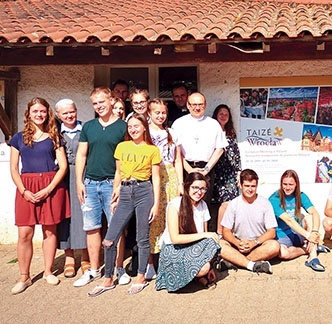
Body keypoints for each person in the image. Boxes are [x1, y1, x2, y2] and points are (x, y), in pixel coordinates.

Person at [87, 113, 162, 296]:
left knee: (142, 237)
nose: (133, 129)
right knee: (109, 239)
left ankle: (141, 277)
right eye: (130, 126)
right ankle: (108, 278)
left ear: (145, 127)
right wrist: (115, 195)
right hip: (126, 191)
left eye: (137, 126)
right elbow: (118, 174)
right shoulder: (122, 147)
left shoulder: (152, 150)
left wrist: (156, 205)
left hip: (144, 190)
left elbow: (157, 178)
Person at [9, 97, 69, 294]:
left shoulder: (55, 136)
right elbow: (13, 168)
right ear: (28, 113)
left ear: (47, 113)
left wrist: (49, 189)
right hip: (26, 187)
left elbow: (63, 166)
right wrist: (24, 191)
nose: (39, 114)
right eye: (35, 111)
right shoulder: (18, 138)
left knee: (50, 231)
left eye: (42, 111)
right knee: (24, 233)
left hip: (50, 187)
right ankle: (24, 277)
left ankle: (48, 271)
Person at [73, 87, 128, 288]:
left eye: (101, 102)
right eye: (95, 103)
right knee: (91, 228)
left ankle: (118, 268)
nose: (98, 106)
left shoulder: (123, 127)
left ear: (111, 101)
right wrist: (79, 181)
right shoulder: (89, 127)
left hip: (111, 184)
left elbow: (124, 158)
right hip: (90, 184)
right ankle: (94, 270)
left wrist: (118, 184)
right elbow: (81, 155)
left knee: (117, 228)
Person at [155, 173, 221, 292]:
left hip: (193, 247)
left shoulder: (203, 205)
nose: (199, 192)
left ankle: (198, 275)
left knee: (212, 243)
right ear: (187, 187)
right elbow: (175, 239)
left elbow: (206, 238)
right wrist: (205, 235)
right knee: (202, 268)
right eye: (195, 188)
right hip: (174, 248)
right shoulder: (175, 205)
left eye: (202, 189)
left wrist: (210, 265)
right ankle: (196, 277)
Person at [171, 92, 227, 226]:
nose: (197, 107)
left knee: (203, 204)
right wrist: (190, 170)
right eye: (194, 104)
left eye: (200, 104)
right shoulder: (179, 124)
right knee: (184, 203)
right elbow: (175, 153)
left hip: (206, 169)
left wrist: (206, 170)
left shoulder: (213, 124)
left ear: (205, 105)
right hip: (185, 168)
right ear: (188, 106)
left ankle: (203, 235)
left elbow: (220, 149)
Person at [147, 99, 183, 278]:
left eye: (163, 113)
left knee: (171, 217)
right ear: (149, 113)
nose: (160, 116)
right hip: (152, 175)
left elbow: (177, 160)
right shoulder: (146, 132)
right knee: (154, 218)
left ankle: (170, 260)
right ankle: (150, 262)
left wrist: (180, 183)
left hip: (170, 176)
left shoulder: (172, 133)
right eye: (156, 113)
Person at [218, 169, 279, 274]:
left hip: (258, 245)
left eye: (253, 186)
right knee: (220, 244)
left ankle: (235, 261)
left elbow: (271, 232)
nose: (250, 189)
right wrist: (237, 243)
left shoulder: (265, 203)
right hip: (238, 244)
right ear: (241, 186)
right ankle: (252, 265)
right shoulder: (234, 204)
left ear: (257, 186)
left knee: (274, 246)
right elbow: (226, 231)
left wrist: (254, 243)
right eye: (247, 186)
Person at [55, 99, 89, 279]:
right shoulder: (54, 133)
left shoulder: (86, 129)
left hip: (81, 176)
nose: (69, 116)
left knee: (84, 214)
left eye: (72, 112)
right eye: (65, 113)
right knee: (65, 216)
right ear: (59, 115)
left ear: (76, 111)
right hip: (61, 178)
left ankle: (85, 256)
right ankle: (69, 257)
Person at [268, 170, 325, 272]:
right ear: (281, 184)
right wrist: (309, 237)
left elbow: (315, 213)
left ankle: (313, 257)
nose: (287, 187)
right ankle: (307, 249)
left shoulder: (300, 195)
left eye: (291, 184)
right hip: (282, 235)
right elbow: (288, 220)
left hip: (298, 233)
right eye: (285, 184)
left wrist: (314, 232)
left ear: (296, 185)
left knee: (309, 217)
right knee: (282, 253)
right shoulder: (274, 198)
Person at [211, 104, 242, 235]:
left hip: (229, 174)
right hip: (216, 172)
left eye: (226, 114)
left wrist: (239, 172)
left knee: (228, 202)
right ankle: (219, 232)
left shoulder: (231, 134)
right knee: (218, 204)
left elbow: (236, 154)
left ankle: (224, 232)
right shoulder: (211, 131)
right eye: (221, 114)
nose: (223, 116)